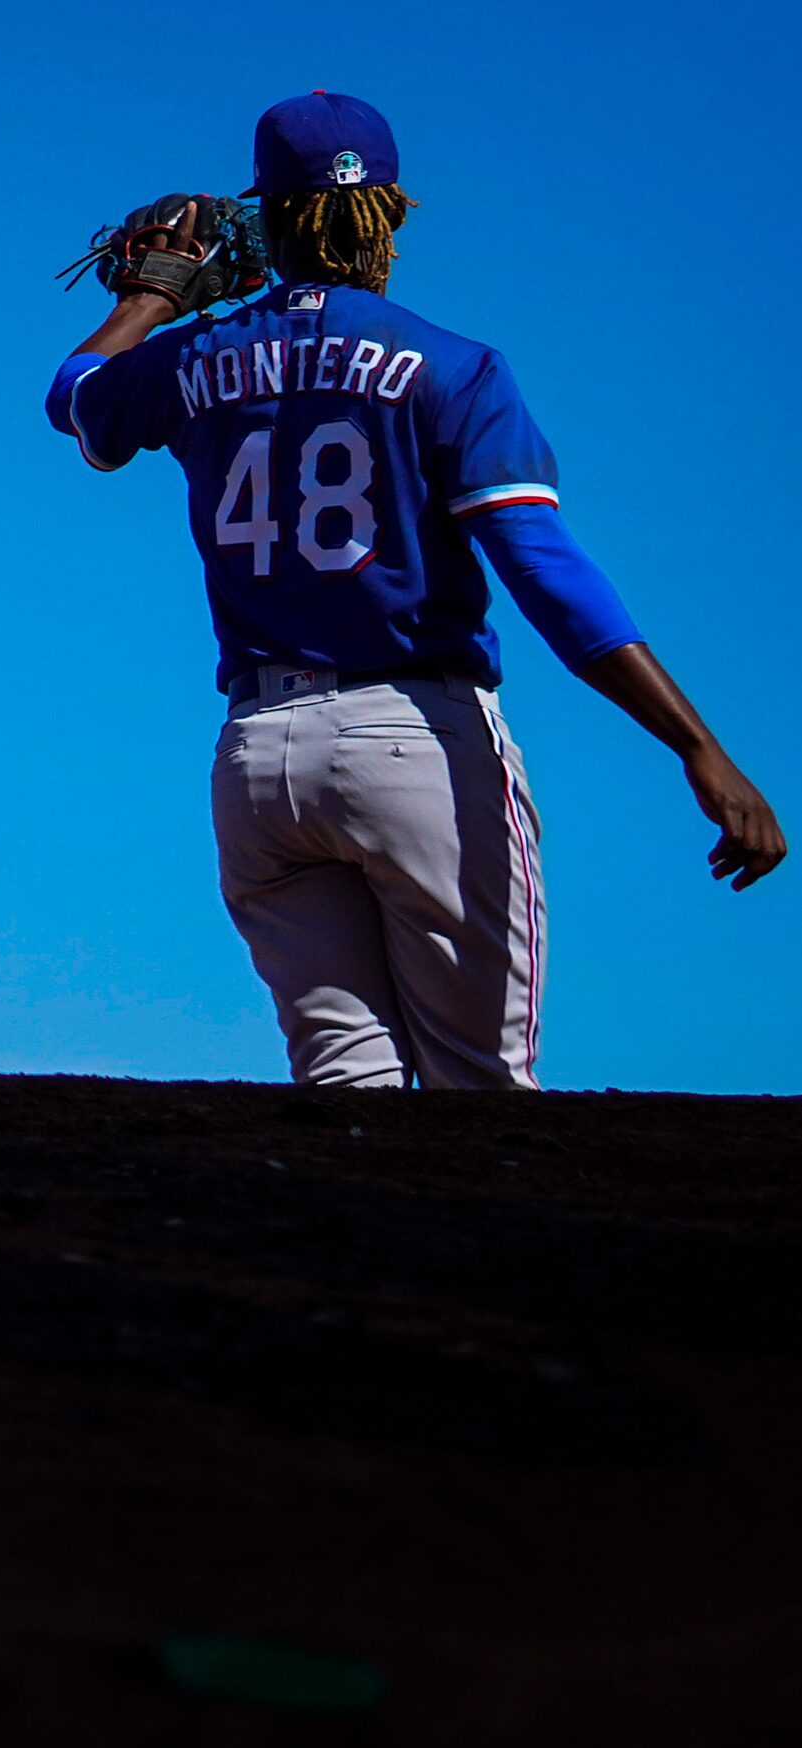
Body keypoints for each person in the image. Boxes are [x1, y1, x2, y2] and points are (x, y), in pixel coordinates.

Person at [46, 91, 783, 1088]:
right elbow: (545, 574)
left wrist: (155, 299)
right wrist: (699, 747)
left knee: (347, 1089)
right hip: (416, 744)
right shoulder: (455, 367)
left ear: (265, 214)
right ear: (388, 211)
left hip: (261, 762)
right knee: (480, 1093)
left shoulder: (196, 358)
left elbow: (75, 398)